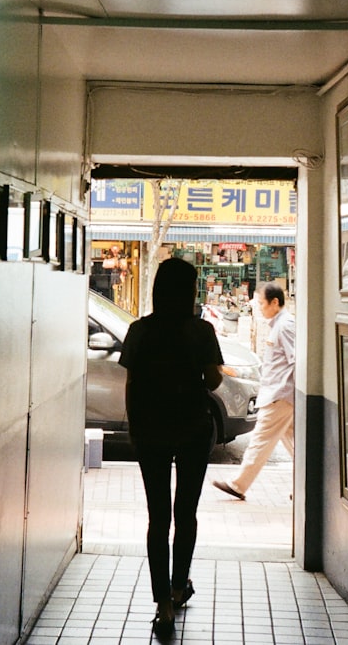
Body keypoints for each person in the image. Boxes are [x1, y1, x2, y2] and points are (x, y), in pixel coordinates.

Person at [119, 257, 224, 639]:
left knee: (157, 518)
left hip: (150, 432)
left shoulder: (138, 331)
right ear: (190, 291)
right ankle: (180, 586)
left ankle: (162, 604)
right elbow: (212, 382)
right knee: (186, 514)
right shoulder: (202, 331)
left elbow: (130, 384)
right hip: (193, 430)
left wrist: (135, 428)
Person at [212, 282, 295, 500]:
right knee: (295, 444)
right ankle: (307, 485)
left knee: (260, 441)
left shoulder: (285, 326)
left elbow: (296, 360)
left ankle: (238, 485)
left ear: (275, 303)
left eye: (261, 303)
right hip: (281, 395)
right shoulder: (278, 324)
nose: (259, 308)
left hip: (279, 396)